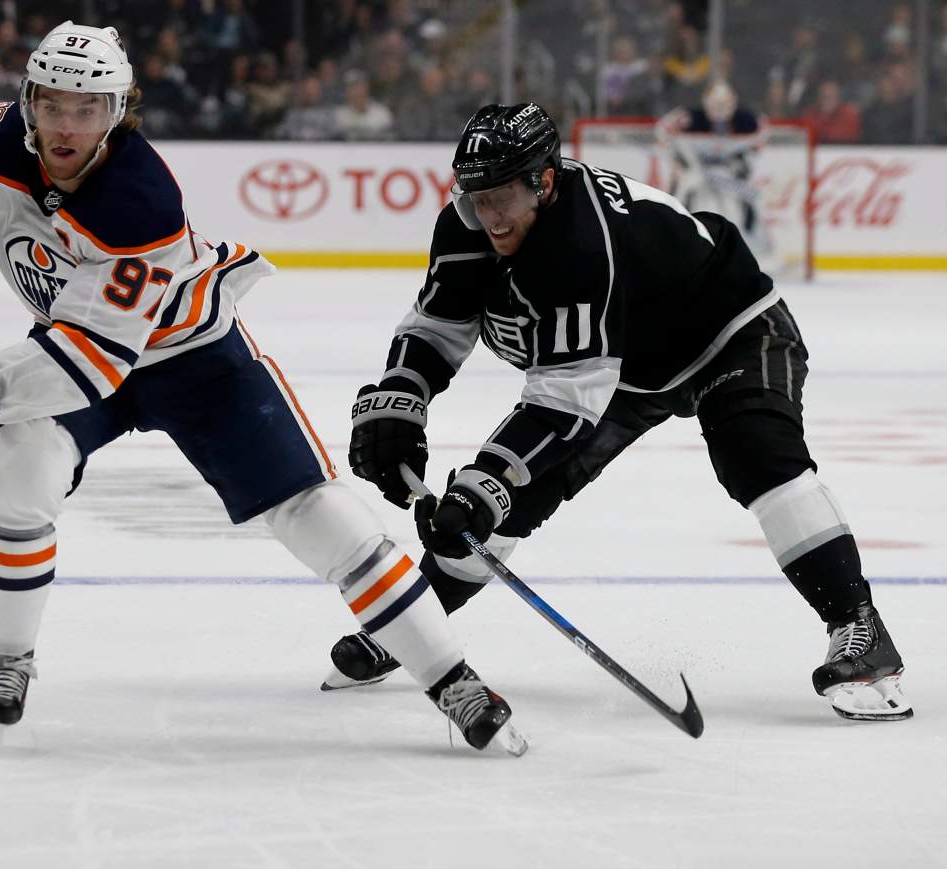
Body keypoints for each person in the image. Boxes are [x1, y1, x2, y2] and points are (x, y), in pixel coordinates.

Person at [0, 22, 526, 756]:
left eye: (88, 109)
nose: (66, 125)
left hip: (191, 358)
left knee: (319, 516)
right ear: (27, 99)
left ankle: (452, 676)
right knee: (16, 470)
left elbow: (90, 358)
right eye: (52, 103)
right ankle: (7, 659)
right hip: (76, 344)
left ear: (117, 112)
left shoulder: (139, 199)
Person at [323, 101, 913, 724]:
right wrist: (400, 400)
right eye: (475, 199)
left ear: (543, 182)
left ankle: (860, 627)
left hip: (730, 331)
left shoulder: (580, 239)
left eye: (501, 198)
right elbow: (438, 327)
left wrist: (485, 478)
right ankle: (414, 630)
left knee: (756, 453)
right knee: (517, 495)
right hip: (625, 362)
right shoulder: (467, 225)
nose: (488, 217)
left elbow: (566, 396)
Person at [655, 80, 775, 272]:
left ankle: (757, 250)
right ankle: (676, 246)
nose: (720, 110)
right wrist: (684, 165)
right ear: (705, 102)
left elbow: (757, 146)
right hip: (697, 173)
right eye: (715, 105)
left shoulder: (748, 121)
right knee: (682, 196)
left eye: (724, 105)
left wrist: (739, 167)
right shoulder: (688, 118)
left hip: (728, 176)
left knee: (746, 202)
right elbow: (662, 133)